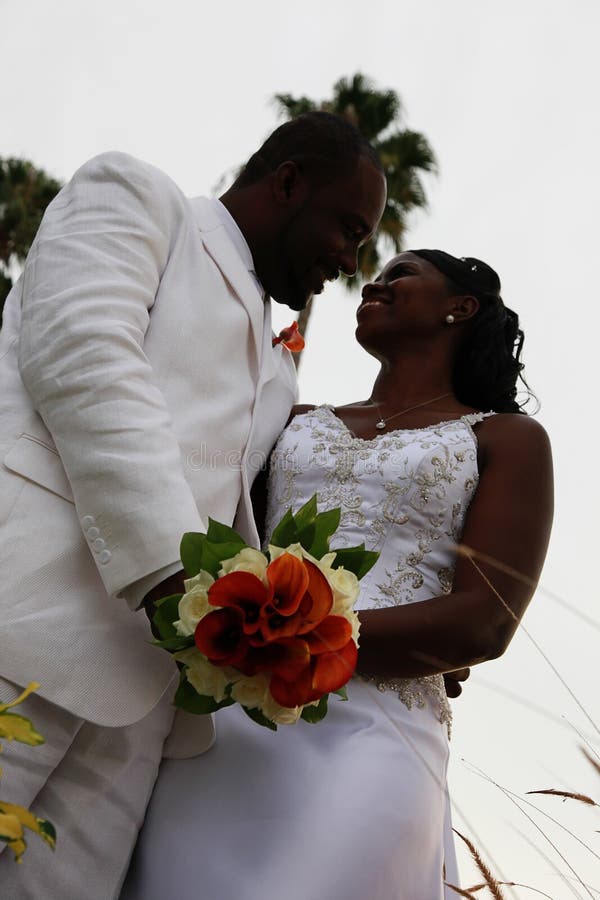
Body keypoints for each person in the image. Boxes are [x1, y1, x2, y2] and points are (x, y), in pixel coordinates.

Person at [0, 112, 387, 898]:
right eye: (348, 227)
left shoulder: (283, 377)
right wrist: (172, 578)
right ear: (288, 181)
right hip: (22, 631)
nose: (348, 261)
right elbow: (83, 354)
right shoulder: (137, 196)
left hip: (144, 711)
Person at [121, 250, 553, 900]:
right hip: (243, 721)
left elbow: (487, 619)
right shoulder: (291, 422)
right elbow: (229, 540)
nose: (375, 283)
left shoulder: (505, 438)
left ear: (459, 308)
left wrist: (301, 639)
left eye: (401, 274)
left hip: (382, 728)